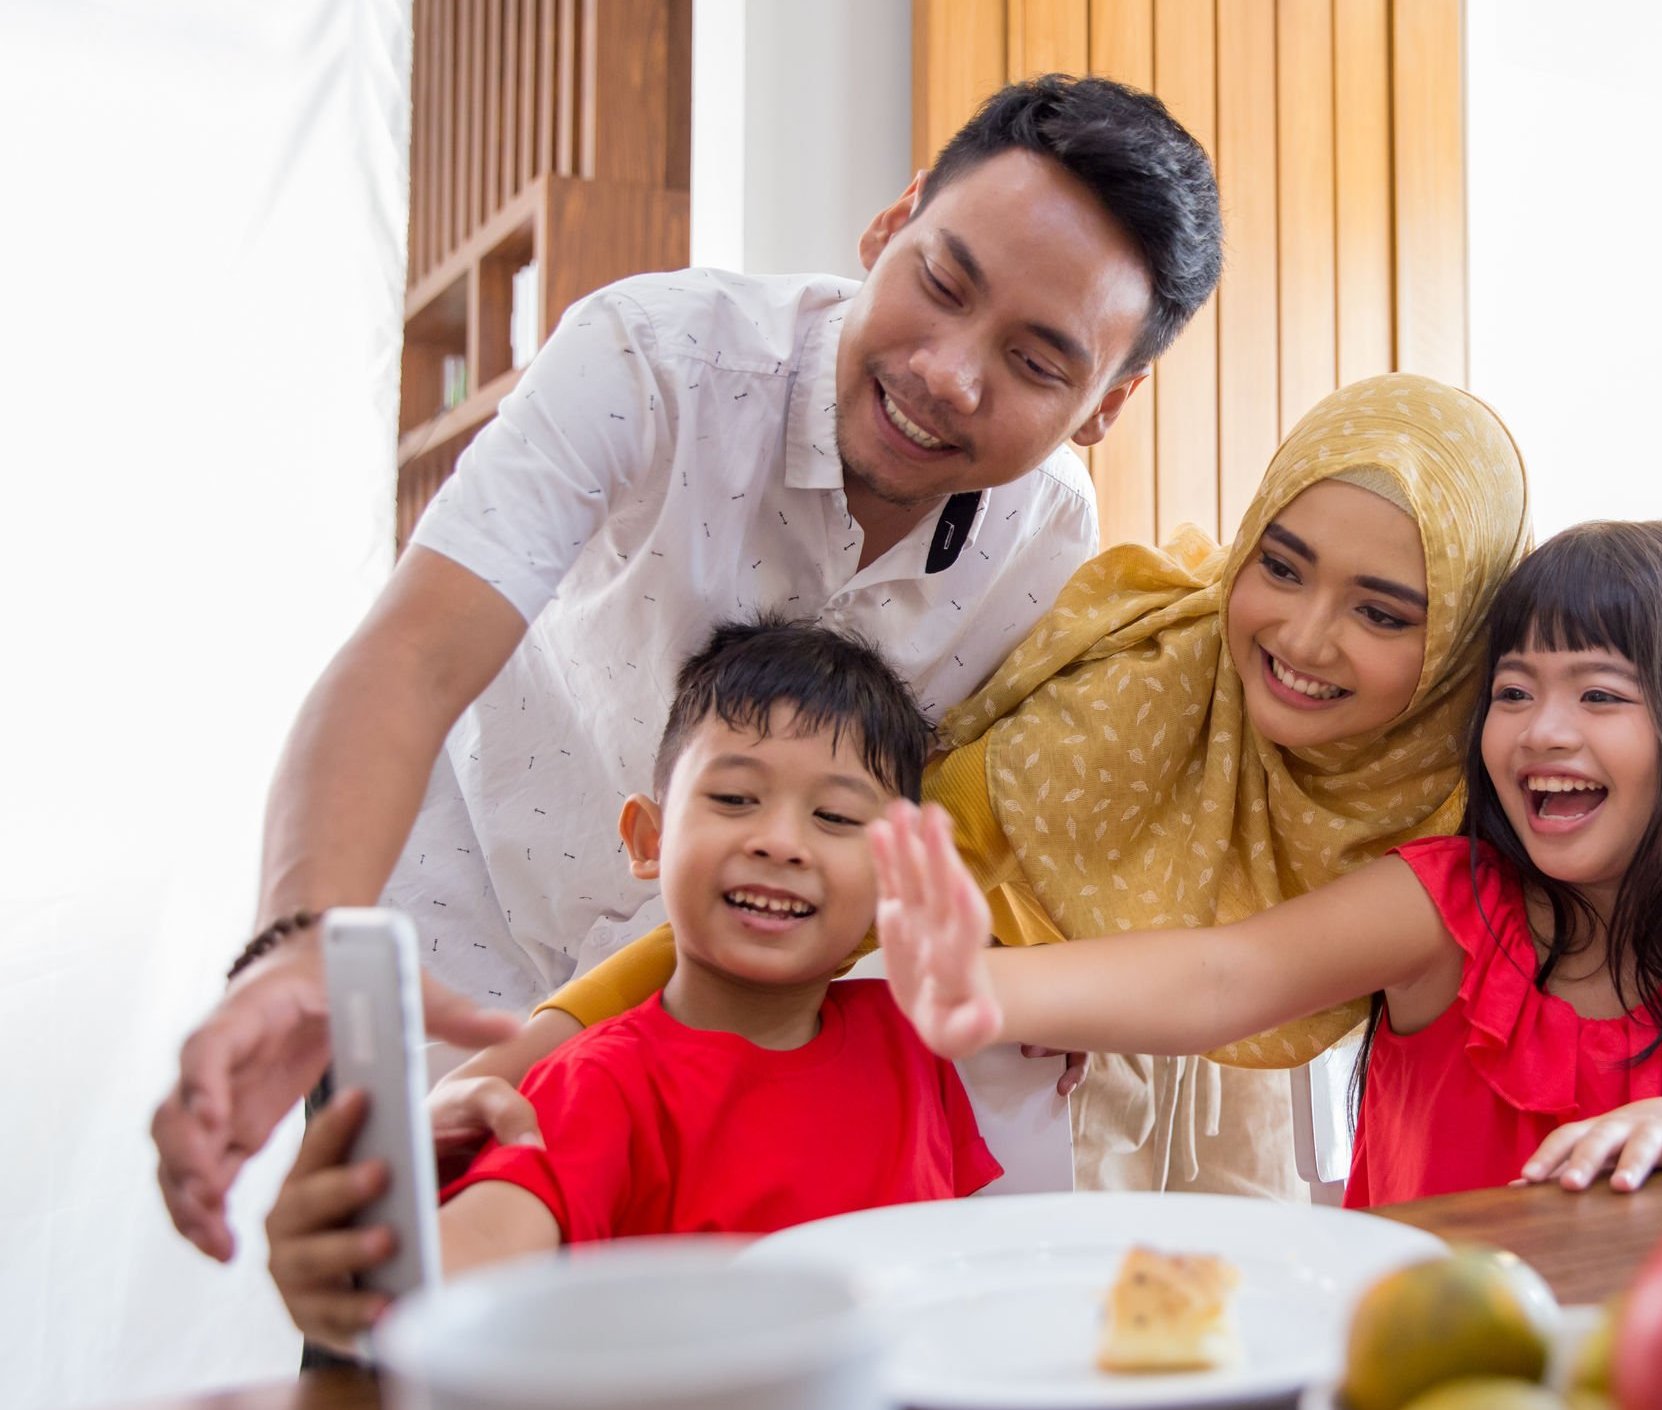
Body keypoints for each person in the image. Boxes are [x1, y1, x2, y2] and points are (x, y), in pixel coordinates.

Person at [157, 74, 1221, 1260]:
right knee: (398, 1324)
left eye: (1035, 363)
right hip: (464, 969)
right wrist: (297, 939)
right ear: (892, 221)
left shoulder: (1055, 551)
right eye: (940, 281)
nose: (946, 374)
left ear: (1106, 404)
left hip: (719, 1046)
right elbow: (409, 656)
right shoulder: (652, 356)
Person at [453, 373, 1534, 1200]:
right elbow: (838, 876)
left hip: (1222, 1124)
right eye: (1280, 565)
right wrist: (541, 1044)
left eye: (1384, 612)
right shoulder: (1128, 707)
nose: (1304, 636)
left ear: (1464, 640)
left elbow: (1248, 987)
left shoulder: (1470, 777)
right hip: (999, 1087)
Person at [870, 520, 1662, 1207]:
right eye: (1514, 693)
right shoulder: (1451, 906)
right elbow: (1228, 973)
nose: (1541, 734)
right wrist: (979, 984)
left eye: (1600, 697)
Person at [265, 619, 1000, 1353]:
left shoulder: (910, 1041)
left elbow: (967, 1280)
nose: (779, 841)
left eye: (835, 816)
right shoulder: (597, 1083)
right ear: (649, 841)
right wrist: (359, 1252)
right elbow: (469, 1259)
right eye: (735, 799)